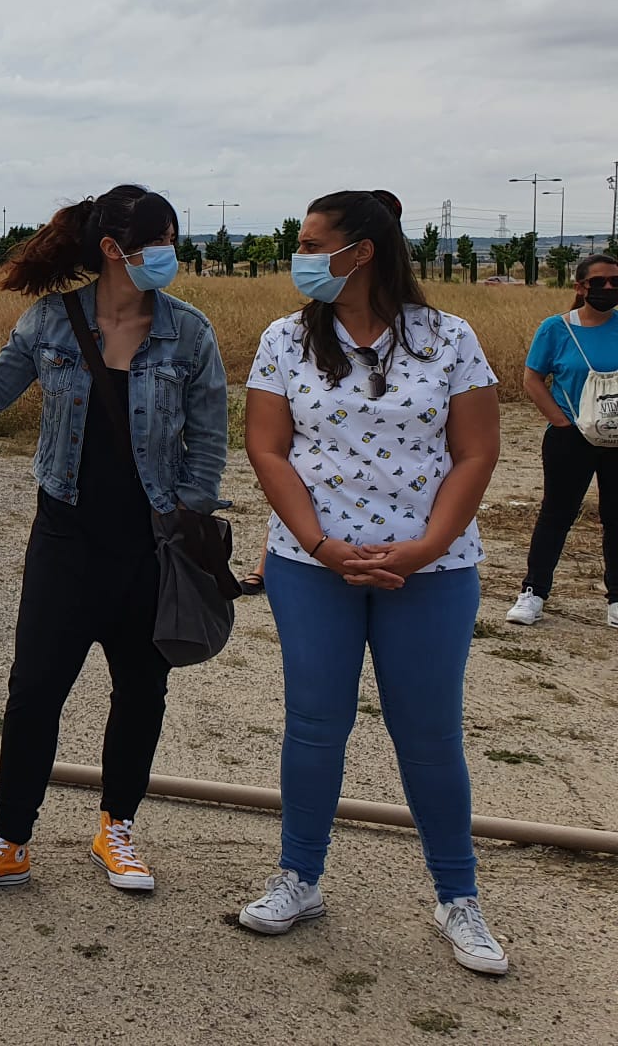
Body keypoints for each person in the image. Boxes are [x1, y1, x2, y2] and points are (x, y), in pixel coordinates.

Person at [237, 190, 508, 975]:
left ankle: (458, 897)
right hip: (311, 566)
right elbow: (268, 449)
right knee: (315, 725)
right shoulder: (284, 340)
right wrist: (320, 545)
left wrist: (424, 548)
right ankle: (299, 878)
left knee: (428, 735)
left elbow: (476, 453)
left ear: (364, 252)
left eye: (314, 243)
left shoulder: (448, 339)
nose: (301, 256)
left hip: (431, 571)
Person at [0, 186, 228, 897]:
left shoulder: (189, 334)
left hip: (151, 546)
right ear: (111, 250)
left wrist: (182, 526)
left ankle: (116, 826)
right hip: (64, 534)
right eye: (160, 242)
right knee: (34, 690)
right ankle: (9, 839)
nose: (170, 256)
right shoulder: (51, 324)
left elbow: (209, 445)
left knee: (142, 689)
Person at [507, 251, 618, 628]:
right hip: (571, 438)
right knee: (557, 514)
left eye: (615, 282)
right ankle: (533, 592)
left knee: (615, 518)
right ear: (580, 286)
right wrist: (562, 423)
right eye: (598, 282)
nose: (607, 288)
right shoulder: (556, 329)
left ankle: (616, 599)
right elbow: (532, 379)